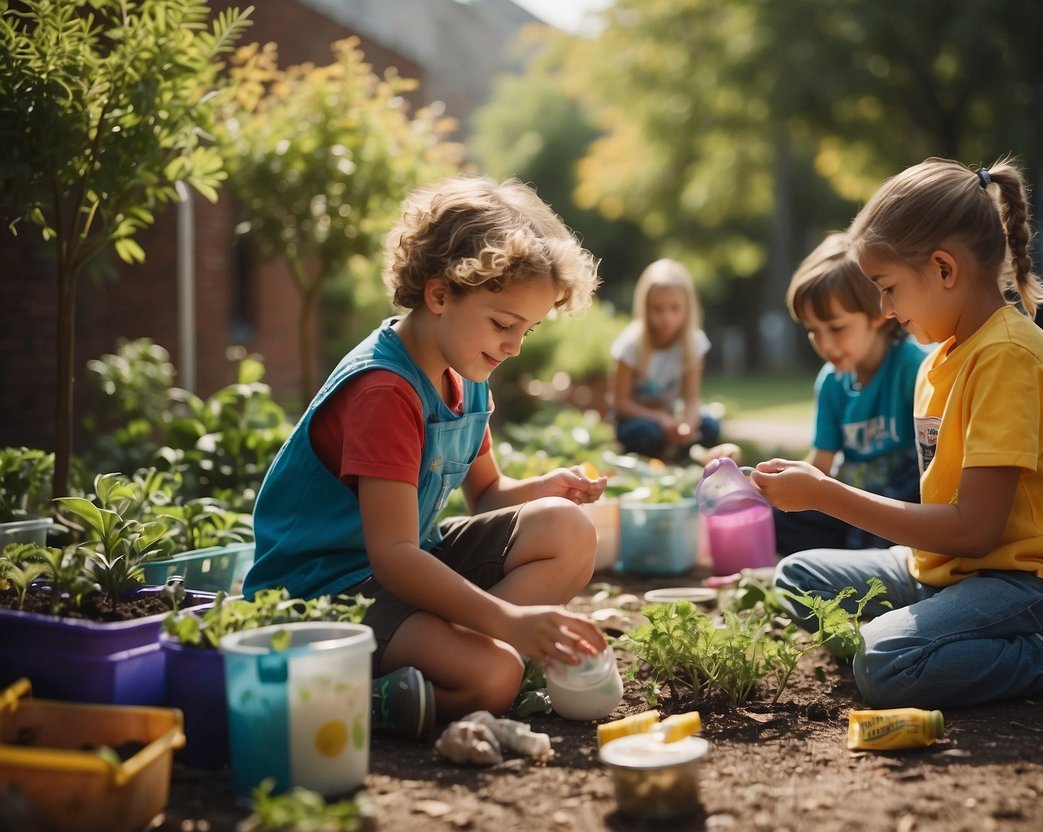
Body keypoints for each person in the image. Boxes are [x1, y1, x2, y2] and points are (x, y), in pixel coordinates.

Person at [752, 157, 1043, 710]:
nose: (883, 308)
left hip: (1039, 579)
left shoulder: (1007, 356)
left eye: (888, 288)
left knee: (883, 663)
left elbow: (975, 529)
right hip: (957, 571)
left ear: (944, 269)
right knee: (797, 575)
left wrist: (826, 496)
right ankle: (951, 639)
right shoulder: (939, 360)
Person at [244, 175, 610, 738]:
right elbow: (391, 554)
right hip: (328, 595)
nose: (514, 347)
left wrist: (545, 488)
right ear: (440, 295)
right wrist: (509, 621)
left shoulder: (466, 366)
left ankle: (461, 644)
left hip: (403, 570)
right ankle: (351, 699)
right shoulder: (385, 391)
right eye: (503, 324)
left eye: (528, 331)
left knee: (567, 529)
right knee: (491, 679)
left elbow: (487, 494)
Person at [773, 232, 929, 555]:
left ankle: (866, 558)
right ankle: (854, 556)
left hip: (904, 512)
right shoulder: (831, 382)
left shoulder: (913, 368)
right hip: (852, 511)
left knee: (912, 481)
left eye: (836, 328)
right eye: (813, 330)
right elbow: (821, 466)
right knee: (777, 516)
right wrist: (768, 481)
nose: (824, 344)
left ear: (877, 312)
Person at [610, 258, 721, 459]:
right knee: (645, 433)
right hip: (639, 419)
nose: (666, 317)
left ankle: (676, 448)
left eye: (674, 308)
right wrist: (660, 418)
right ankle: (668, 450)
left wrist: (687, 425)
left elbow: (691, 399)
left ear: (687, 308)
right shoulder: (630, 344)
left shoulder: (694, 344)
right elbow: (622, 403)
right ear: (645, 308)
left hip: (671, 417)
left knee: (710, 426)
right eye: (658, 309)